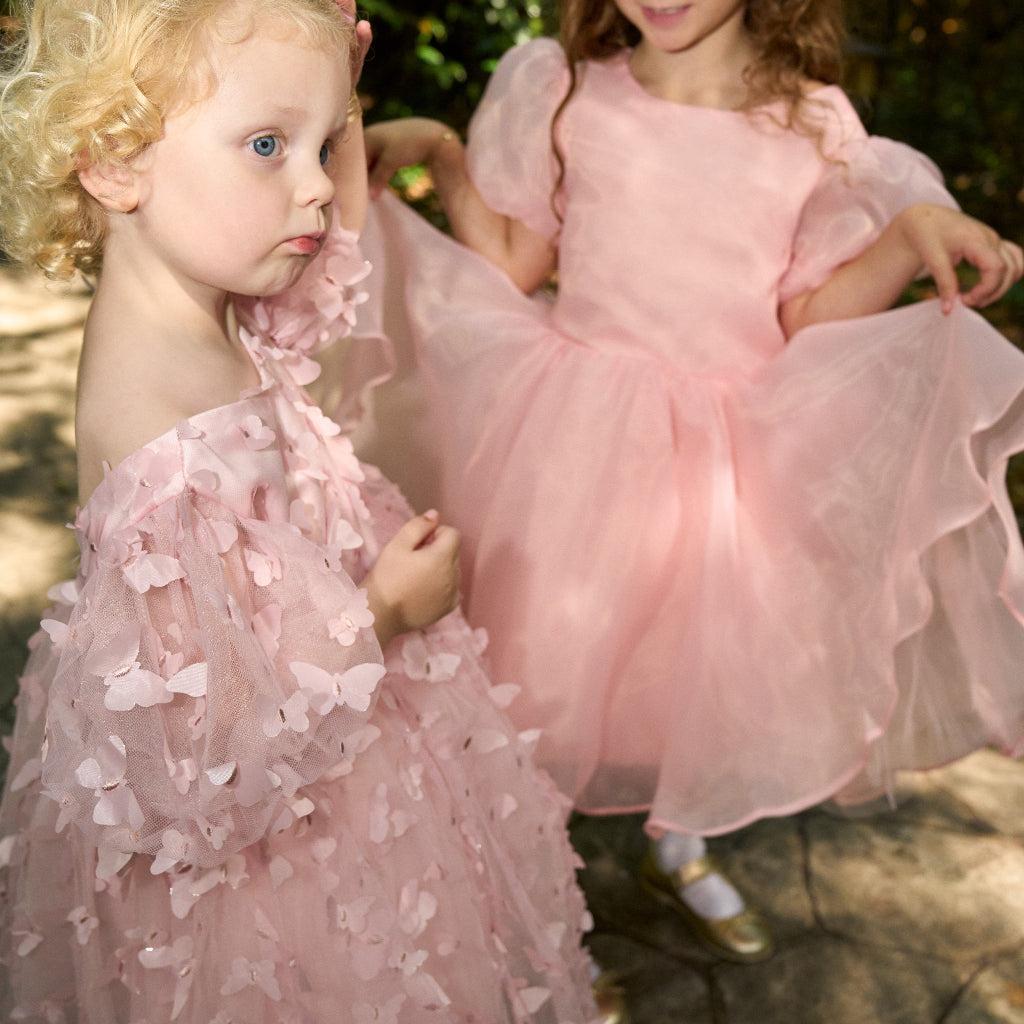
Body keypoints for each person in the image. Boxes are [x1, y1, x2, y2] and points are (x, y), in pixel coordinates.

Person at [337, 0, 1024, 963]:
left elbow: (806, 315)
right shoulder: (570, 90)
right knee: (540, 675)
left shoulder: (812, 125)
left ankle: (680, 841)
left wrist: (907, 236)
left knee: (688, 673)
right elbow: (512, 259)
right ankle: (523, 908)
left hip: (724, 458)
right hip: (570, 444)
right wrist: (448, 158)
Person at [0, 1, 602, 1020]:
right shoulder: (166, 446)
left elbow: (328, 275)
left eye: (323, 145)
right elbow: (197, 755)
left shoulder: (202, 306)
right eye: (269, 145)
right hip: (277, 842)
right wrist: (384, 612)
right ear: (112, 158)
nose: (317, 184)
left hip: (347, 746)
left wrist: (339, 108)